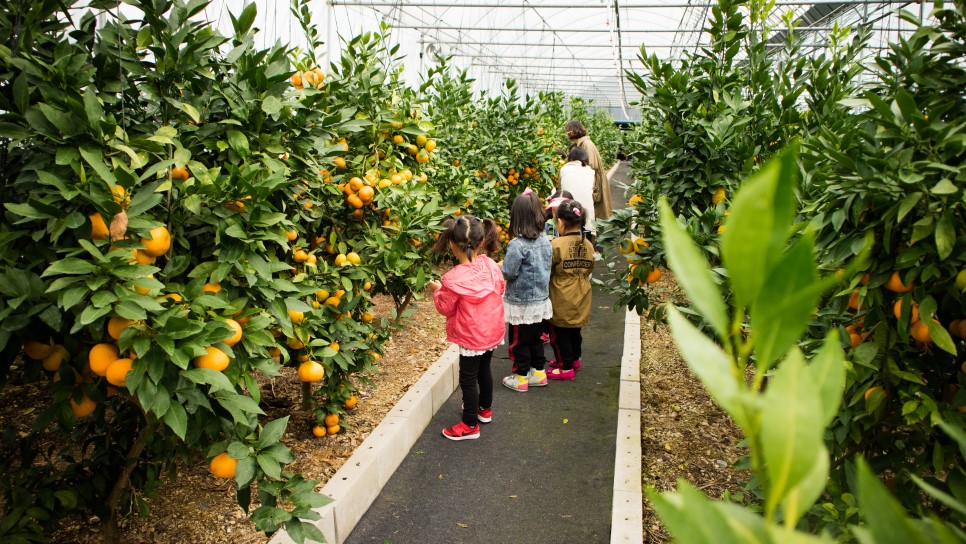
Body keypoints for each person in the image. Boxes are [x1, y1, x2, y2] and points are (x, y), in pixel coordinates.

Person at [428, 215, 505, 441]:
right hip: (492, 329)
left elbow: (446, 308)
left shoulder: (452, 279)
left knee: (468, 379)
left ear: (452, 244)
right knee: (484, 371)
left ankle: (470, 424)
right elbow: (500, 288)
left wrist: (437, 290)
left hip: (471, 335)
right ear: (481, 242)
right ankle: (484, 410)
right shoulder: (491, 265)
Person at [501, 190, 552, 392]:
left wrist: (500, 268)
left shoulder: (517, 245)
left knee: (518, 341)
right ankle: (538, 372)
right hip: (541, 301)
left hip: (521, 303)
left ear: (517, 218)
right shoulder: (545, 241)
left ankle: (520, 376)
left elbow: (510, 272)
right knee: (535, 338)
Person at [547, 199, 595, 380]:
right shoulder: (588, 245)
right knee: (575, 329)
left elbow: (549, 268)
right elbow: (590, 268)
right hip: (582, 291)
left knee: (560, 334)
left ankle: (565, 367)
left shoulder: (556, 245)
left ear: (559, 222)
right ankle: (575, 359)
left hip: (562, 292)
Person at [565, 120, 613, 221]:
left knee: (594, 218)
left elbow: (590, 168)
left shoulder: (586, 145)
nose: (566, 135)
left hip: (594, 186)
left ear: (573, 131)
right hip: (592, 186)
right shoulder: (581, 144)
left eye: (567, 131)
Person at [558, 147, 597, 240]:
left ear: (571, 158)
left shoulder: (563, 169)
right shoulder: (591, 172)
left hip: (567, 213)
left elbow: (560, 189)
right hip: (586, 215)